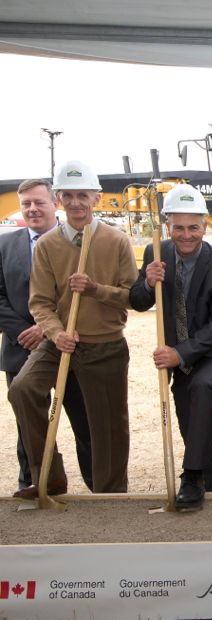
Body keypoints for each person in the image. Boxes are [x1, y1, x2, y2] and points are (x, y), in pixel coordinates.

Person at [8, 160, 137, 498]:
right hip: (60, 342)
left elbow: (132, 297)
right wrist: (55, 332)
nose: (76, 202)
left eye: (83, 195)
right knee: (22, 389)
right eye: (69, 195)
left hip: (105, 343)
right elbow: (40, 303)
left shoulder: (117, 241)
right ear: (60, 199)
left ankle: (111, 495)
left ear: (96, 198)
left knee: (108, 427)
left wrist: (96, 290)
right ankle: (48, 476)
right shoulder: (49, 245)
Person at [130, 184, 212, 511]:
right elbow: (138, 302)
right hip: (180, 348)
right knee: (191, 420)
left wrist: (180, 353)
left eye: (193, 227)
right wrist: (147, 282)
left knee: (203, 385)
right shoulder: (156, 252)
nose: (185, 235)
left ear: (204, 227)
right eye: (178, 227)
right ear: (168, 226)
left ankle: (191, 476)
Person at [1, 179, 93, 494]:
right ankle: (35, 481)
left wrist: (47, 328)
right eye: (26, 203)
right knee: (28, 420)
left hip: (71, 345)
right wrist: (22, 331)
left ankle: (99, 487)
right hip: (20, 347)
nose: (32, 209)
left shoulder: (78, 241)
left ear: (54, 203)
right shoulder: (5, 245)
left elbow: (86, 294)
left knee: (85, 421)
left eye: (38, 202)